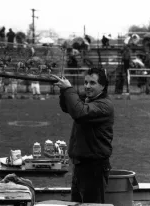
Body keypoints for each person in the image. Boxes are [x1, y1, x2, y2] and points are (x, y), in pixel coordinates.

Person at [53, 68, 114, 204]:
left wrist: (69, 89)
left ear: (103, 86)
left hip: (94, 168)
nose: (87, 86)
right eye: (85, 82)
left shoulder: (104, 105)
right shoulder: (89, 100)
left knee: (92, 204)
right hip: (81, 166)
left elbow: (79, 112)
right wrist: (64, 91)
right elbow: (66, 107)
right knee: (77, 203)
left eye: (92, 83)